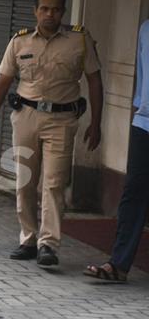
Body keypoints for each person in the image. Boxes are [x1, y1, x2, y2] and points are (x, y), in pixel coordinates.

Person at [0, 0, 103, 267]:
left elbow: (95, 82)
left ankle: (48, 244)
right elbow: (1, 84)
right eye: (45, 8)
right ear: (35, 10)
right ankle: (28, 239)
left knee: (54, 183)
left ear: (63, 11)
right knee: (25, 179)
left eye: (56, 9)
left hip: (62, 120)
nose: (50, 14)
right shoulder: (19, 42)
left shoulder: (80, 40)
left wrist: (96, 123)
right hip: (26, 116)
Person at [85, 19, 149, 283]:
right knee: (133, 193)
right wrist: (136, 113)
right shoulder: (146, 28)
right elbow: (142, 78)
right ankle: (118, 265)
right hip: (144, 124)